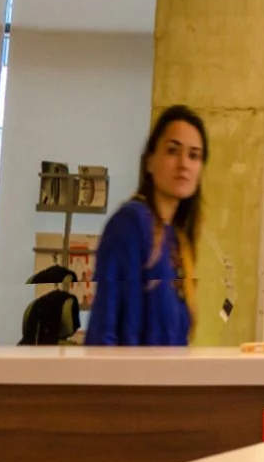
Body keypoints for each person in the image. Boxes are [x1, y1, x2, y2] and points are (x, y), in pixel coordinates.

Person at [86, 106, 206, 348]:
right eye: (173, 151)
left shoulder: (178, 239)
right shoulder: (131, 223)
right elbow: (104, 329)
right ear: (150, 161)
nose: (184, 164)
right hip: (129, 382)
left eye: (194, 155)